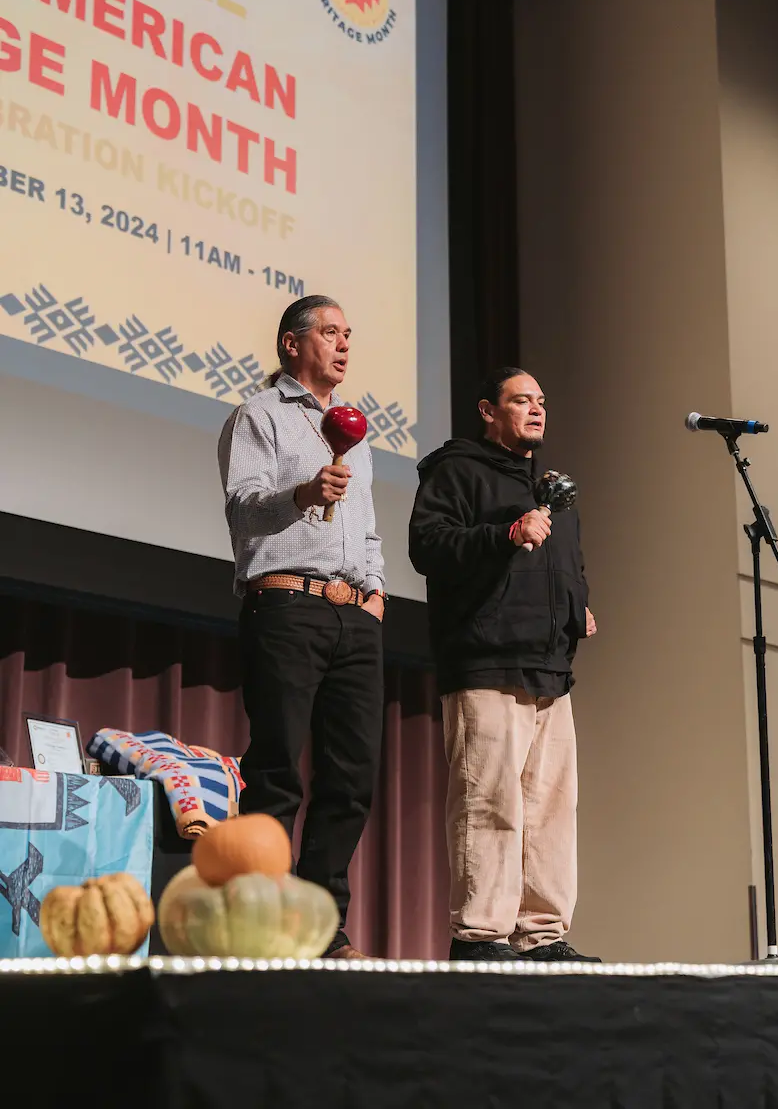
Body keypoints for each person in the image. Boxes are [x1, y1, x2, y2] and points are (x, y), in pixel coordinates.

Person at [408, 367, 600, 963]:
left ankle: (542, 934)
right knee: (489, 802)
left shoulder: (553, 492)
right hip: (487, 663)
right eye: (522, 400)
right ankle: (482, 936)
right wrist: (505, 533)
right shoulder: (458, 471)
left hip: (550, 669)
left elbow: (565, 567)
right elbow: (428, 546)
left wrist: (578, 606)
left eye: (541, 400)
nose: (537, 410)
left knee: (549, 809)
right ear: (489, 411)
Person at [218, 294, 387, 961]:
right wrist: (303, 495)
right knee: (278, 770)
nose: (343, 344)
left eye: (349, 333)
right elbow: (242, 511)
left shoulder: (356, 429)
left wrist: (375, 594)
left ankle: (320, 927)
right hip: (287, 606)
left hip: (356, 615)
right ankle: (262, 925)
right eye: (328, 332)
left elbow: (366, 528)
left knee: (352, 778)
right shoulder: (258, 416)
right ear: (292, 344)